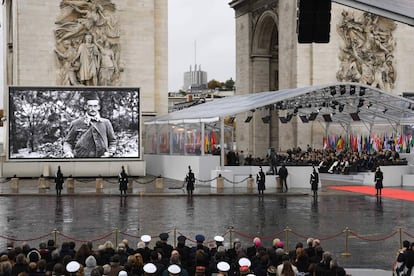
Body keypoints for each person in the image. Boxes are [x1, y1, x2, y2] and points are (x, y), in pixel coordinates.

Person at [63, 92, 117, 158]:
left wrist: (109, 153)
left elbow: (113, 141)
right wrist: (68, 152)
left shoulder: (106, 123)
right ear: (85, 107)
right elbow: (68, 142)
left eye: (95, 106)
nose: (93, 109)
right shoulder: (76, 123)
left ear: (99, 107)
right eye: (90, 106)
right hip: (81, 160)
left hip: (101, 160)